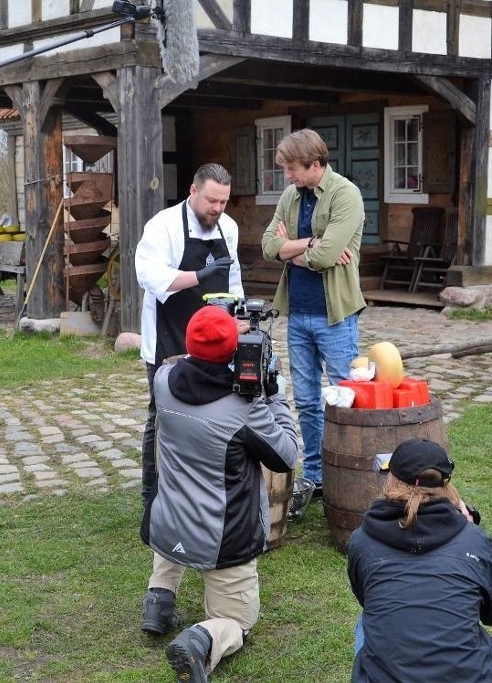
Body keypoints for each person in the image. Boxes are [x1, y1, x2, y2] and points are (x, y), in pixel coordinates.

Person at [140, 306, 299, 682]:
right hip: (221, 537)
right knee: (238, 620)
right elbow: (286, 456)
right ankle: (202, 640)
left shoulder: (163, 380)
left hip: (170, 521)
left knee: (174, 536)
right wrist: (272, 395)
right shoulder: (244, 407)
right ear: (233, 351)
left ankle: (158, 601)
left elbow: (190, 365)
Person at [346, 439, 492, 682]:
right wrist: (471, 535)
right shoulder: (472, 539)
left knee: (366, 623)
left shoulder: (361, 541)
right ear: (445, 485)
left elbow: (366, 598)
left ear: (391, 478)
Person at [260, 128, 366, 496]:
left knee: (344, 398)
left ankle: (350, 472)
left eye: (291, 168)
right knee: (305, 401)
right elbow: (268, 246)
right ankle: (319, 477)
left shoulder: (346, 195)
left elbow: (320, 256)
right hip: (298, 313)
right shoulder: (291, 195)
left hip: (335, 316)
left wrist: (296, 250)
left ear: (315, 164)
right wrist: (309, 244)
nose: (287, 176)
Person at [134, 162, 246, 508]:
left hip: (215, 338)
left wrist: (239, 318)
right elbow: (150, 277)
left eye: (223, 202)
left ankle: (201, 489)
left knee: (215, 408)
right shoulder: (163, 227)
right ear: (193, 191)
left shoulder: (228, 227)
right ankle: (152, 493)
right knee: (162, 415)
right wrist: (199, 275)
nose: (217, 208)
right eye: (211, 200)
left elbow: (234, 279)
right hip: (170, 333)